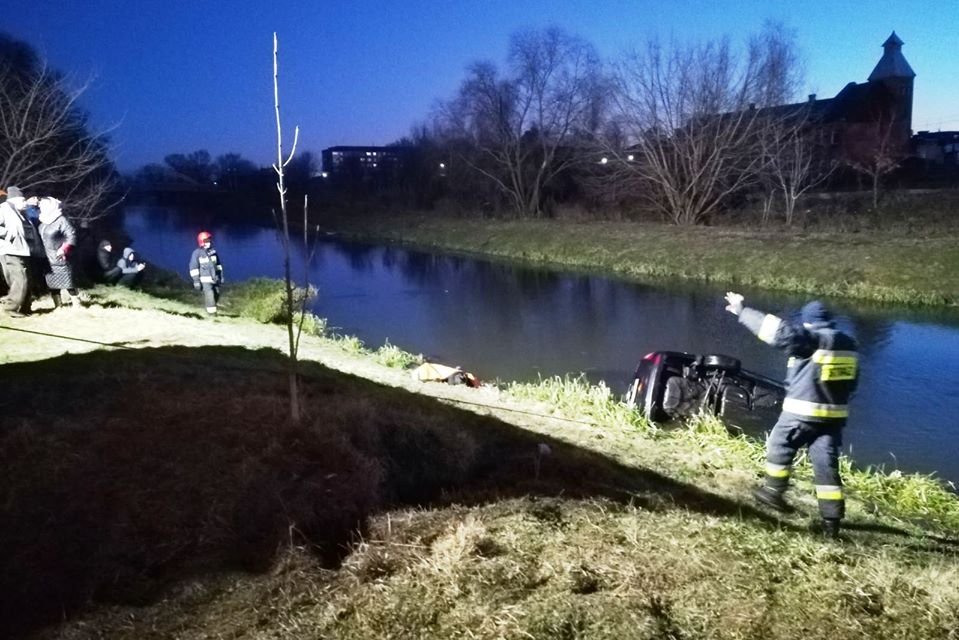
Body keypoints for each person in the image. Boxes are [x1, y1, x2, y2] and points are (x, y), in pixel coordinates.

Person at [725, 292, 859, 539]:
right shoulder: (849, 345)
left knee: (779, 443)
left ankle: (773, 492)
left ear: (809, 321)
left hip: (803, 412)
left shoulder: (814, 339)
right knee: (826, 466)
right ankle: (832, 523)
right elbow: (852, 383)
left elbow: (778, 331)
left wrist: (742, 311)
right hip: (833, 419)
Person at [0, 186, 42, 317]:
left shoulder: (21, 213)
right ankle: (10, 308)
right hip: (10, 250)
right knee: (20, 279)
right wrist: (9, 234)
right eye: (23, 200)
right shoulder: (3, 209)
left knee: (27, 280)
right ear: (15, 200)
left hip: (23, 251)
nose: (26, 203)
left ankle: (25, 308)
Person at [37, 197, 80, 308]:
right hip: (46, 258)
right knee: (52, 283)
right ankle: (58, 306)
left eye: (44, 205)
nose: (41, 207)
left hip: (60, 257)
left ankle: (76, 303)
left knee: (67, 281)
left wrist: (63, 249)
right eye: (40, 206)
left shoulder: (61, 220)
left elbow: (71, 236)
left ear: (51, 206)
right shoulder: (42, 222)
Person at [189, 230, 224, 315]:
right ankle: (212, 315)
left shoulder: (213, 252)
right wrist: (196, 281)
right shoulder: (197, 253)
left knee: (216, 294)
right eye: (207, 240)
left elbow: (218, 265)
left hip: (214, 279)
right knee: (210, 295)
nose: (209, 242)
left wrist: (221, 276)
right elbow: (193, 268)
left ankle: (210, 309)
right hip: (204, 280)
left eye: (209, 240)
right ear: (202, 242)